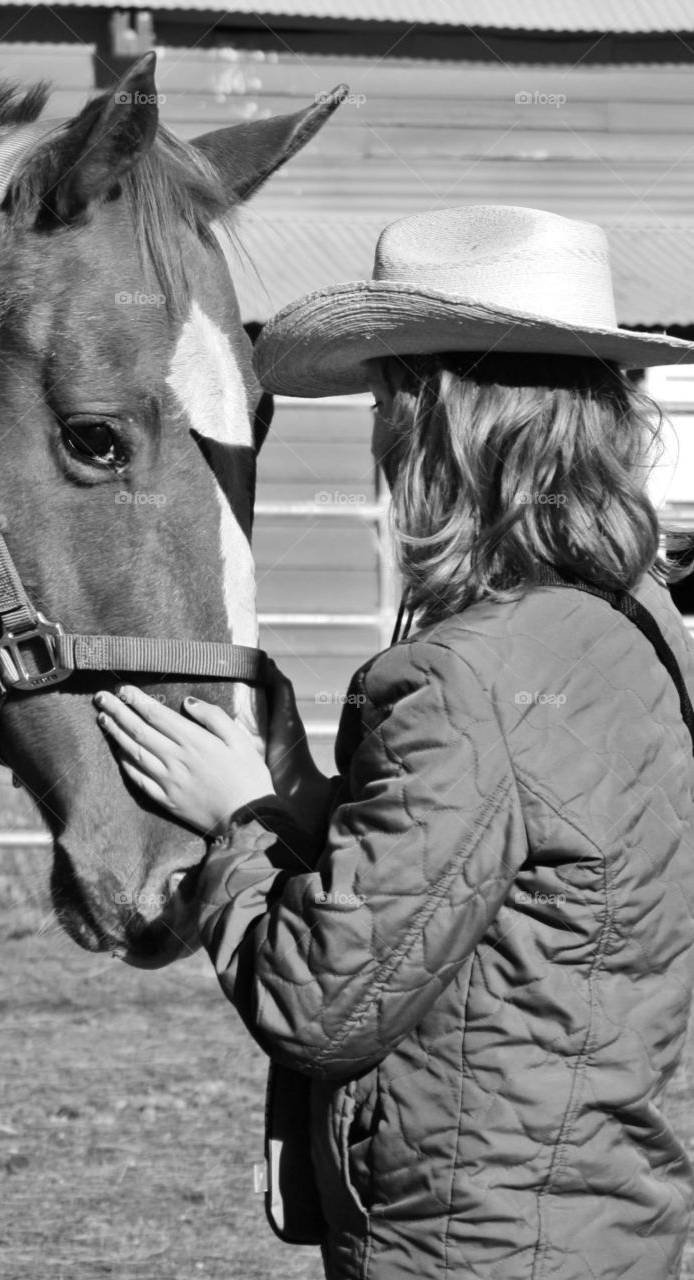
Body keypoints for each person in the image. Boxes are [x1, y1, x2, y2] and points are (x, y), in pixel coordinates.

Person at [94, 205, 694, 1280]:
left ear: (442, 426)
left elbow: (321, 1001)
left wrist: (241, 824)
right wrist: (301, 791)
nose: (378, 443)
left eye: (387, 404)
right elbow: (501, 884)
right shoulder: (630, 627)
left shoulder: (470, 676)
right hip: (596, 1209)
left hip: (468, 1237)